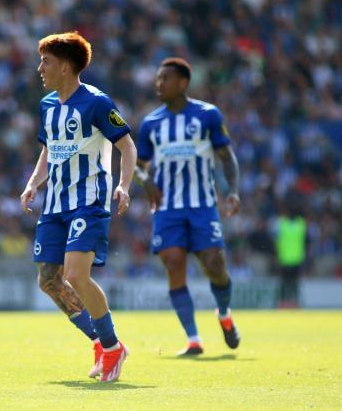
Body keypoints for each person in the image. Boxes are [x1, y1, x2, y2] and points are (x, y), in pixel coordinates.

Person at [20, 32, 137, 382]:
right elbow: (48, 150)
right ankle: (103, 342)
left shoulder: (97, 103)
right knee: (48, 280)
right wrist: (32, 183)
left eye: (47, 61)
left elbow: (127, 147)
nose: (40, 68)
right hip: (54, 205)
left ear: (67, 66)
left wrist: (123, 185)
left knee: (75, 275)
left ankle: (113, 347)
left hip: (88, 201)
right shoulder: (47, 106)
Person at [134, 57, 241, 356]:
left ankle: (224, 314)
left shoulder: (207, 115)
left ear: (182, 82)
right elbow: (137, 166)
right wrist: (144, 181)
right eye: (157, 79)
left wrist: (232, 191)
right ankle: (193, 339)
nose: (159, 84)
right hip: (167, 207)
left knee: (214, 265)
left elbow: (226, 157)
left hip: (202, 205)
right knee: (172, 262)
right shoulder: (151, 123)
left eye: (164, 79)